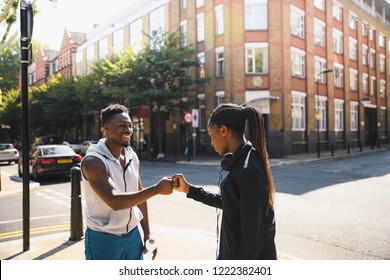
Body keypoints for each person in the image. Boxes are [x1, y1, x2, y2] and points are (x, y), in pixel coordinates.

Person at [172, 103, 277, 260]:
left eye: (210, 134)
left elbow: (253, 238)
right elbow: (230, 203)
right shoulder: (241, 162)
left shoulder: (249, 169)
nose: (211, 142)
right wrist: (189, 190)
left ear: (223, 130)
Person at [81, 104, 173, 260]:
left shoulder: (132, 156)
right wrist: (157, 189)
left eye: (130, 125)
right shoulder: (93, 161)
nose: (128, 129)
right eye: (122, 125)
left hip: (132, 236)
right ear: (106, 128)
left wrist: (147, 233)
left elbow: (140, 197)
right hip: (103, 238)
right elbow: (114, 201)